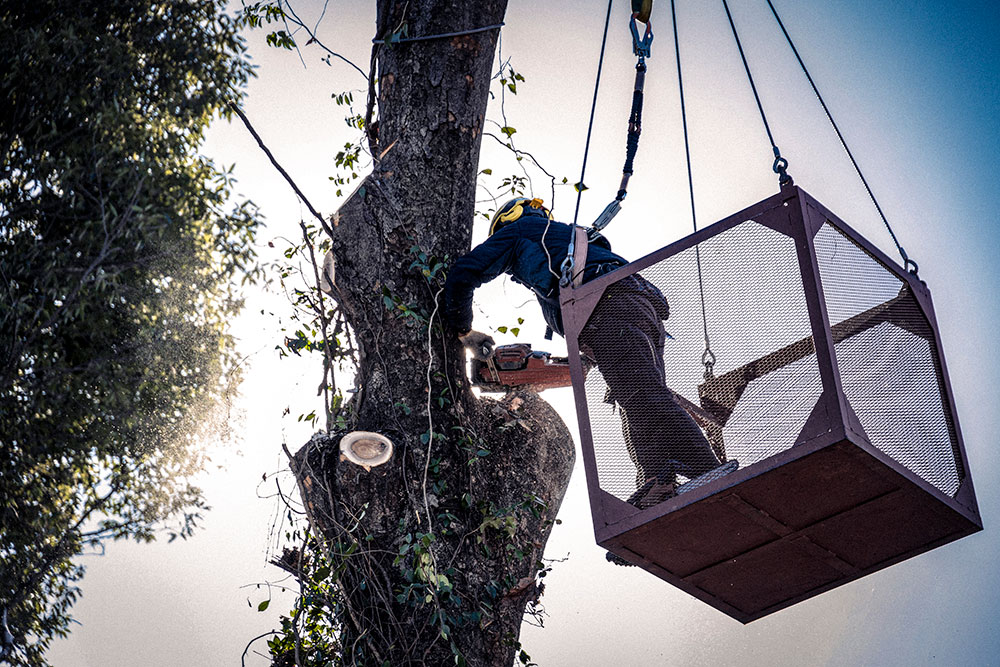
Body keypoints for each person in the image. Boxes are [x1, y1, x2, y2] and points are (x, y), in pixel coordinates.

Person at [443, 197, 735, 512]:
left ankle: (708, 470)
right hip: (638, 311)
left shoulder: (521, 231)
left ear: (508, 220)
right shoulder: (566, 243)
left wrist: (464, 331)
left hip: (610, 311)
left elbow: (465, 272)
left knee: (643, 397)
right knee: (637, 399)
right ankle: (659, 481)